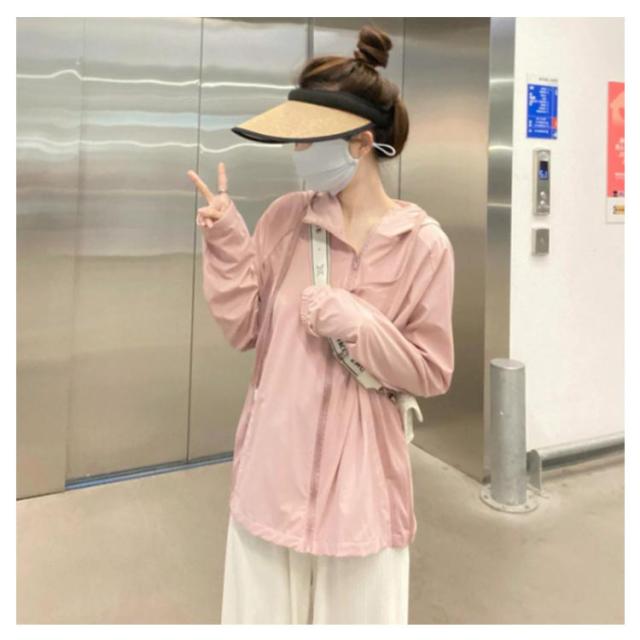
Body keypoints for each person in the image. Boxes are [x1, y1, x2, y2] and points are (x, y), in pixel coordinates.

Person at [187, 24, 455, 624]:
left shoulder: (424, 245)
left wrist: (359, 322)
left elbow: (431, 371)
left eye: (308, 140)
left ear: (361, 143)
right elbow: (244, 328)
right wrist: (227, 242)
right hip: (271, 471)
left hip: (363, 488)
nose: (298, 153)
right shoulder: (286, 218)